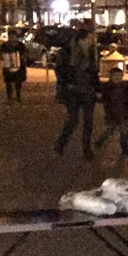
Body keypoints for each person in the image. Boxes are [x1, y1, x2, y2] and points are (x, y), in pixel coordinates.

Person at [54, 24, 101, 158]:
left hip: (87, 90)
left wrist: (97, 88)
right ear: (81, 39)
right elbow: (60, 70)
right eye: (89, 39)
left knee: (88, 120)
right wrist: (67, 83)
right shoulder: (66, 52)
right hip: (72, 90)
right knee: (73, 119)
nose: (91, 42)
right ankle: (61, 143)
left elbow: (94, 72)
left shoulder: (91, 52)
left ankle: (86, 148)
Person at [94, 66, 128, 156]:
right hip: (112, 114)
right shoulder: (106, 87)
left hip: (123, 113)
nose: (118, 78)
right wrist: (99, 97)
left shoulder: (124, 87)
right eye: (116, 76)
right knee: (110, 130)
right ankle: (100, 141)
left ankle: (124, 148)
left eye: (120, 76)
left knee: (124, 132)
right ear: (111, 76)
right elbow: (102, 97)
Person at [0, 33, 27, 104]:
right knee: (8, 84)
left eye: (14, 37)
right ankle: (10, 98)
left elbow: (25, 53)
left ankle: (18, 97)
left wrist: (20, 57)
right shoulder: (4, 45)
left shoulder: (21, 46)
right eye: (11, 37)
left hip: (19, 67)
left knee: (18, 83)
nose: (13, 39)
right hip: (8, 67)